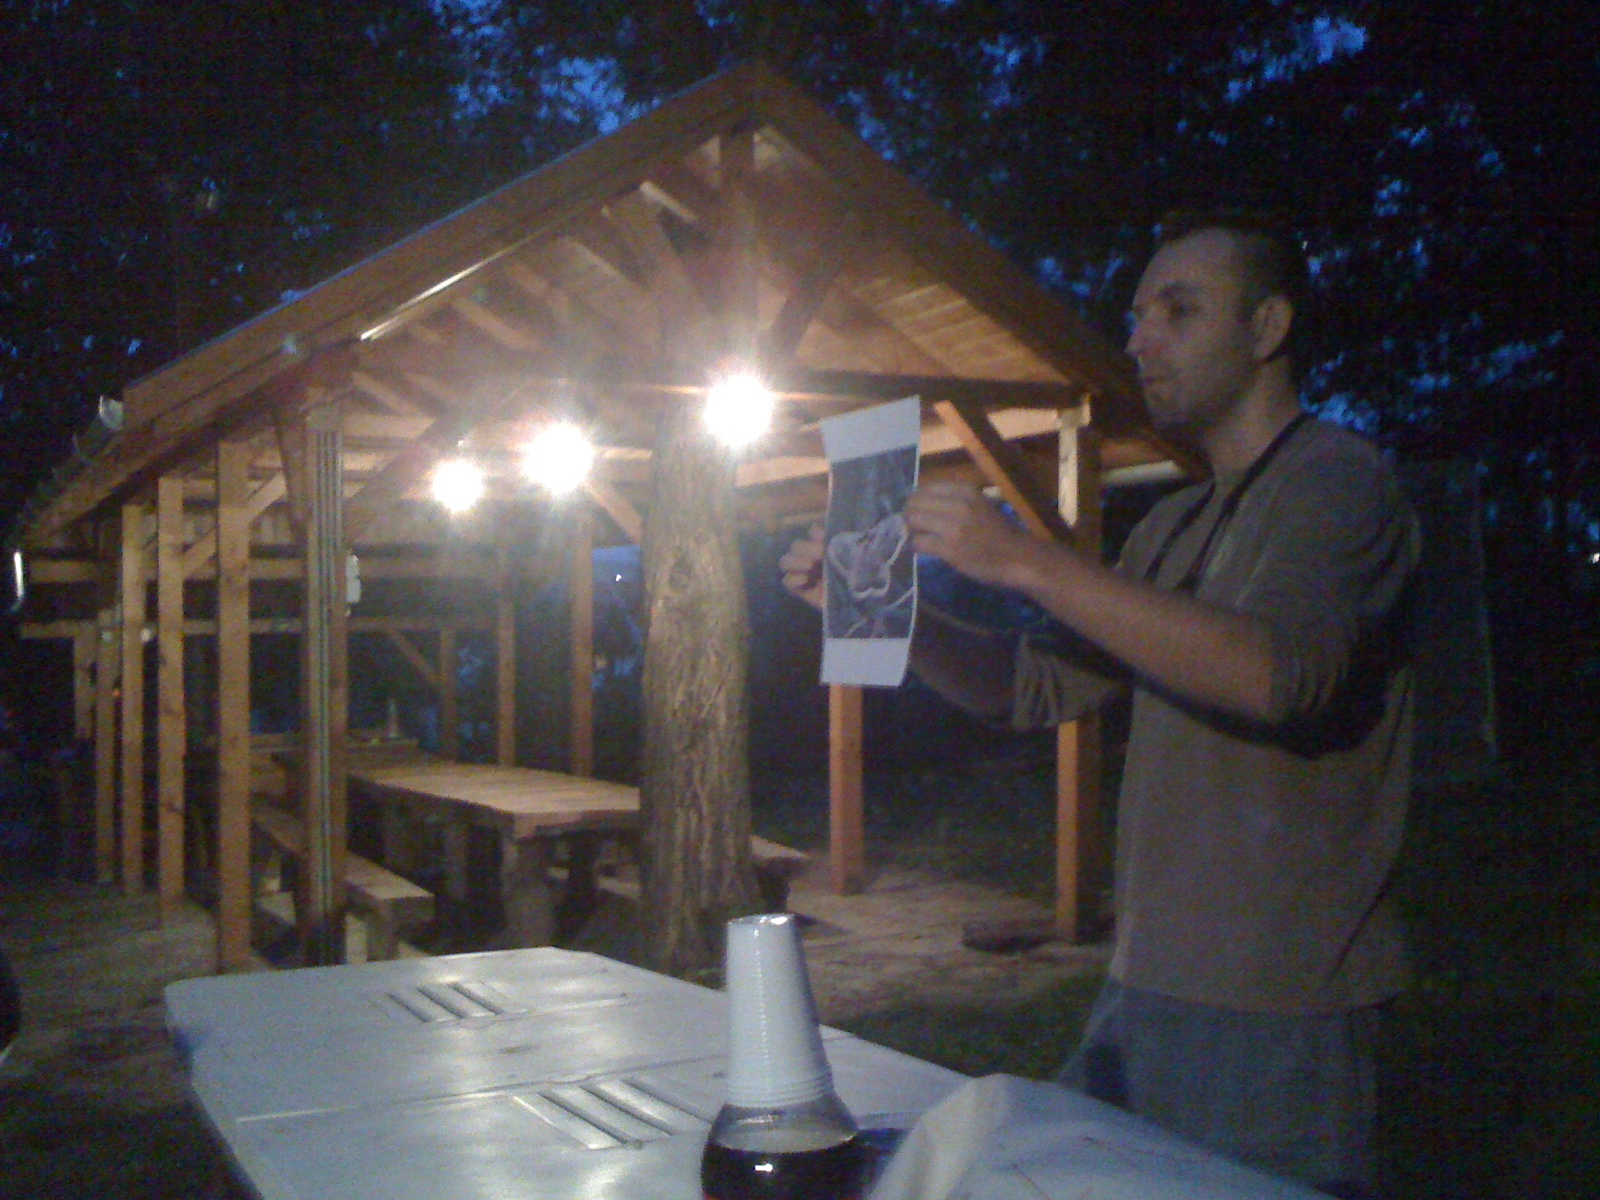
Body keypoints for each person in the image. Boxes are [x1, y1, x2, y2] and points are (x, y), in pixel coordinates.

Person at [780, 210, 1418, 1198]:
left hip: (1285, 1004)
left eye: (1178, 311)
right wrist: (885, 616)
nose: (1140, 340)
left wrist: (1024, 561)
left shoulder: (1339, 484)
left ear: (1267, 327)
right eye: (1135, 316)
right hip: (1141, 985)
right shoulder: (1171, 526)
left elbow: (1277, 676)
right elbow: (1031, 688)